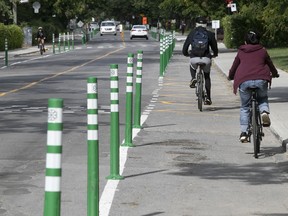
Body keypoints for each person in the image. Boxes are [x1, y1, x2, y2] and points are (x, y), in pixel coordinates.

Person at [228, 30, 279, 142]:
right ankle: (264, 112)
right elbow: (270, 64)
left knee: (245, 107)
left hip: (244, 80)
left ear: (246, 41)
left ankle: (244, 133)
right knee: (262, 98)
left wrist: (230, 76)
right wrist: (275, 74)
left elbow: (235, 65)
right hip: (261, 80)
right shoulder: (263, 51)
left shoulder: (241, 51)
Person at [182, 17, 218, 105]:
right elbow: (214, 48)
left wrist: (187, 54)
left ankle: (193, 77)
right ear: (206, 25)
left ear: (196, 24)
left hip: (194, 58)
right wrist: (215, 54)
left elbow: (185, 48)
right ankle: (208, 98)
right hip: (206, 59)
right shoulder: (210, 34)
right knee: (207, 76)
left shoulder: (192, 33)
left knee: (191, 65)